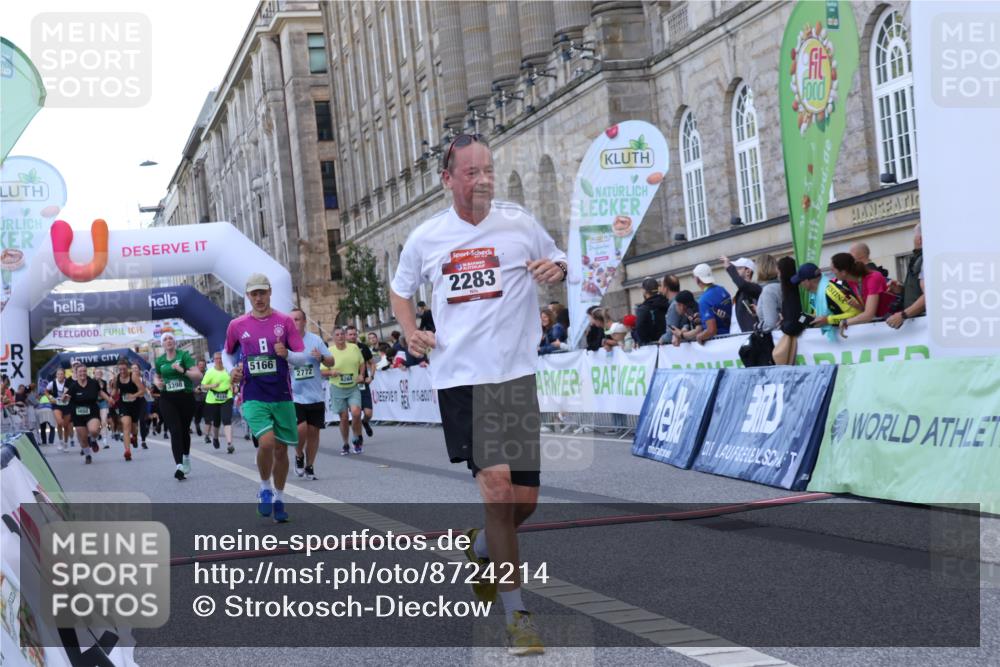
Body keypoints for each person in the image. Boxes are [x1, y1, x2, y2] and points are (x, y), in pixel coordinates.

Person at [389, 132, 566, 656]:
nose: (483, 179)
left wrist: (555, 269)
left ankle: (483, 548)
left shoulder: (517, 223)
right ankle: (519, 617)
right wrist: (409, 330)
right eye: (472, 172)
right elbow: (401, 291)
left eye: (487, 169)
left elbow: (560, 262)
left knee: (524, 503)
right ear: (448, 179)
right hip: (462, 378)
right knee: (495, 486)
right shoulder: (427, 237)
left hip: (513, 376)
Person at [226, 273, 304, 522]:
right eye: (254, 294)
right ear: (248, 296)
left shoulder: (284, 321)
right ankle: (264, 488)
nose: (258, 298)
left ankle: (280, 497)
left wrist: (288, 355)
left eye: (262, 292)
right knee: (267, 443)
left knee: (281, 451)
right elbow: (227, 353)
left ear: (270, 292)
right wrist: (232, 369)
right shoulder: (237, 325)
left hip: (281, 394)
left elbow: (302, 355)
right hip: (253, 394)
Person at [288, 308, 334, 479]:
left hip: (315, 395)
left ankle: (309, 466)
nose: (294, 323)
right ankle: (299, 455)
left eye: (297, 319)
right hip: (295, 395)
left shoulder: (315, 340)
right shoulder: (285, 342)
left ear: (304, 321)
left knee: (314, 432)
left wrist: (321, 357)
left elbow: (331, 362)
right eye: (291, 320)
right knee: (300, 429)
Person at [155, 332, 203, 480]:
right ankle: (179, 466)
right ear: (162, 344)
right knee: (175, 431)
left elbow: (198, 375)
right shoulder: (160, 360)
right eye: (165, 339)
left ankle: (186, 457)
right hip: (167, 398)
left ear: (174, 343)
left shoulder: (184, 356)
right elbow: (157, 376)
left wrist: (183, 371)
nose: (168, 341)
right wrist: (158, 383)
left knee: (183, 431)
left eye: (171, 339)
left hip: (185, 397)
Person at [322, 327, 366, 456]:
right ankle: (345, 443)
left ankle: (357, 439)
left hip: (353, 387)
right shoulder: (329, 352)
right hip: (337, 388)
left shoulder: (353, 348)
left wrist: (361, 375)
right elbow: (321, 371)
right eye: (337, 335)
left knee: (356, 413)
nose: (340, 336)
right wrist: (331, 372)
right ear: (333, 338)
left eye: (342, 334)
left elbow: (362, 363)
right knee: (344, 418)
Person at [831, 252, 892, 332]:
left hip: (891, 321)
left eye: (833, 270)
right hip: (880, 323)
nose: (832, 273)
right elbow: (868, 311)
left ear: (843, 272)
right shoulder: (851, 282)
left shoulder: (873, 278)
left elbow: (869, 315)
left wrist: (846, 322)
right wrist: (859, 307)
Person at [63, 364, 111, 465]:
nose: (82, 373)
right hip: (78, 414)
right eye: (80, 371)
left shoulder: (93, 383)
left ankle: (93, 440)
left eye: (84, 371)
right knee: (83, 438)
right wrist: (64, 398)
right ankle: (88, 455)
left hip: (92, 411)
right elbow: (66, 397)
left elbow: (100, 393)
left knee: (93, 430)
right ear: (76, 373)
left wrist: (109, 400)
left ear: (87, 372)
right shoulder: (73, 386)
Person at [887, 224, 926, 329]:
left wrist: (903, 315)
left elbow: (929, 295)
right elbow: (919, 292)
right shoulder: (919, 258)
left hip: (924, 326)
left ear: (920, 239)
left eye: (914, 235)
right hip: (919, 325)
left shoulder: (925, 259)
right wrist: (901, 290)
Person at [109, 357, 145, 461]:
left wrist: (134, 395)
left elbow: (142, 390)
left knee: (134, 427)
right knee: (126, 425)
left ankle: (134, 436)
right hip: (123, 404)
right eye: (120, 369)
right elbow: (115, 390)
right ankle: (127, 451)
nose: (122, 371)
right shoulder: (117, 378)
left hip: (135, 405)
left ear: (127, 368)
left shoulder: (133, 376)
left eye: (124, 369)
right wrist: (111, 397)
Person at [201, 352, 236, 453]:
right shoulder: (210, 372)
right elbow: (203, 386)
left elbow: (234, 382)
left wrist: (235, 387)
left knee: (226, 420)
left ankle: (230, 444)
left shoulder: (228, 371)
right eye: (216, 359)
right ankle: (215, 438)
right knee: (216, 422)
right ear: (214, 360)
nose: (219, 360)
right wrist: (211, 386)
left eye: (220, 358)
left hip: (227, 397)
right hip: (213, 399)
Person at [346, 325, 377, 439]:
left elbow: (372, 363)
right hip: (351, 386)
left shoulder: (363, 347)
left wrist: (371, 376)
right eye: (350, 334)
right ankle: (358, 436)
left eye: (354, 334)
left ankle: (365, 422)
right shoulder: (343, 349)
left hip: (363, 384)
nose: (353, 336)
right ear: (346, 336)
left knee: (368, 413)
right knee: (356, 413)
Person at [692, 263, 732, 344]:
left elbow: (711, 330)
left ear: (697, 279)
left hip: (719, 342)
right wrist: (702, 317)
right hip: (732, 336)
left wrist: (699, 337)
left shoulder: (703, 300)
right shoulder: (722, 289)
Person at [722, 256, 762, 333]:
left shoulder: (755, 288)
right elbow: (739, 318)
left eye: (739, 268)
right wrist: (726, 317)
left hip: (748, 337)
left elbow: (742, 285)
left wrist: (729, 268)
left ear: (748, 271)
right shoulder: (740, 292)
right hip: (737, 337)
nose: (736, 271)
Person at [633, 277, 670, 345]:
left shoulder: (643, 308)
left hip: (652, 347)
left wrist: (643, 341)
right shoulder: (667, 303)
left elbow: (639, 328)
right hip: (670, 345)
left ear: (644, 291)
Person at [46, 368, 73, 450]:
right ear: (56, 375)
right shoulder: (52, 383)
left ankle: (65, 443)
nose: (60, 376)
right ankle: (60, 442)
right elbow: (46, 391)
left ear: (64, 375)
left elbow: (72, 391)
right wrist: (50, 398)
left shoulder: (68, 382)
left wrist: (69, 396)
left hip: (67, 405)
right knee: (59, 422)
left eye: (62, 374)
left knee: (66, 425)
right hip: (57, 405)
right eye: (58, 374)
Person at [754, 255, 783, 333]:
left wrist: (757, 327)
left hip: (775, 340)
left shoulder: (769, 290)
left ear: (761, 269)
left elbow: (770, 324)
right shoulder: (778, 286)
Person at [192, 359, 209, 442]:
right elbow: (188, 386)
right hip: (196, 399)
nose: (202, 366)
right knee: (197, 416)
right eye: (200, 364)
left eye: (203, 364)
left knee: (207, 417)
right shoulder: (193, 375)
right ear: (197, 366)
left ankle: (207, 436)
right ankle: (197, 424)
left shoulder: (208, 374)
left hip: (207, 398)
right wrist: (194, 390)